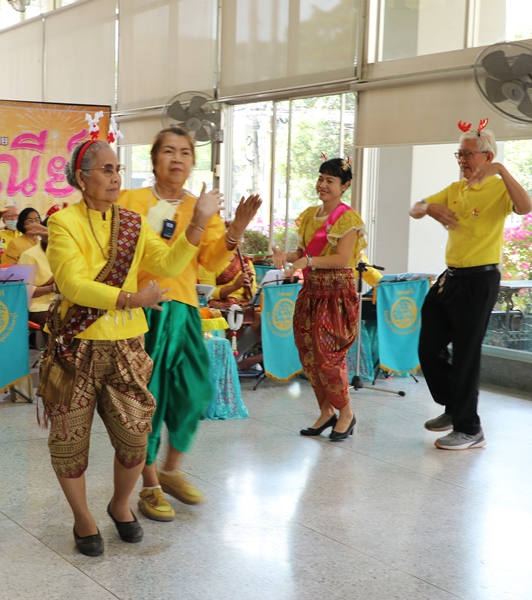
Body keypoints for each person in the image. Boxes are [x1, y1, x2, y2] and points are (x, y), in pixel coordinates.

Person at [41, 139, 221, 557]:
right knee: (69, 441)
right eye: (106, 170)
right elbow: (72, 284)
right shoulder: (63, 222)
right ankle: (83, 519)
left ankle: (120, 504)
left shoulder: (132, 223)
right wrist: (129, 299)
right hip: (76, 347)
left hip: (126, 347)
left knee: (136, 438)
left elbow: (169, 264)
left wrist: (198, 221)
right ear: (81, 177)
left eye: (118, 169)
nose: (115, 177)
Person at [118, 127, 261, 522]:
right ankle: (149, 485)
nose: (177, 158)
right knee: (146, 399)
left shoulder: (202, 207)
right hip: (140, 311)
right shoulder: (130, 201)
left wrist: (236, 228)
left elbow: (212, 262)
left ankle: (170, 470)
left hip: (181, 310)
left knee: (195, 391)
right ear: (154, 160)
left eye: (184, 152)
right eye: (168, 151)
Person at [409, 121, 532, 450]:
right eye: (459, 154)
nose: (462, 160)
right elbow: (414, 208)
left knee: (465, 353)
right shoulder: (455, 189)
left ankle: (469, 428)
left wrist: (501, 170)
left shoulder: (500, 189)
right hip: (450, 277)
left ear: (487, 156)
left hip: (480, 279)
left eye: (468, 154)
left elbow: (525, 208)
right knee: (428, 347)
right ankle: (454, 406)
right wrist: (429, 207)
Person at [273, 157, 366, 441]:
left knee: (329, 356)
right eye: (321, 179)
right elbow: (303, 252)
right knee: (309, 353)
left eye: (330, 181)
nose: (322, 185)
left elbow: (341, 258)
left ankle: (346, 413)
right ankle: (326, 412)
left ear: (344, 186)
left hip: (336, 293)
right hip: (311, 291)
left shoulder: (348, 219)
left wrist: (308, 261)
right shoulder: (310, 215)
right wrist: (287, 256)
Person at [17, 215, 56, 348]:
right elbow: (24, 291)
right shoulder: (29, 255)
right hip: (39, 306)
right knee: (55, 320)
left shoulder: (67, 254)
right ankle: (55, 355)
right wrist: (51, 288)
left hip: (64, 303)